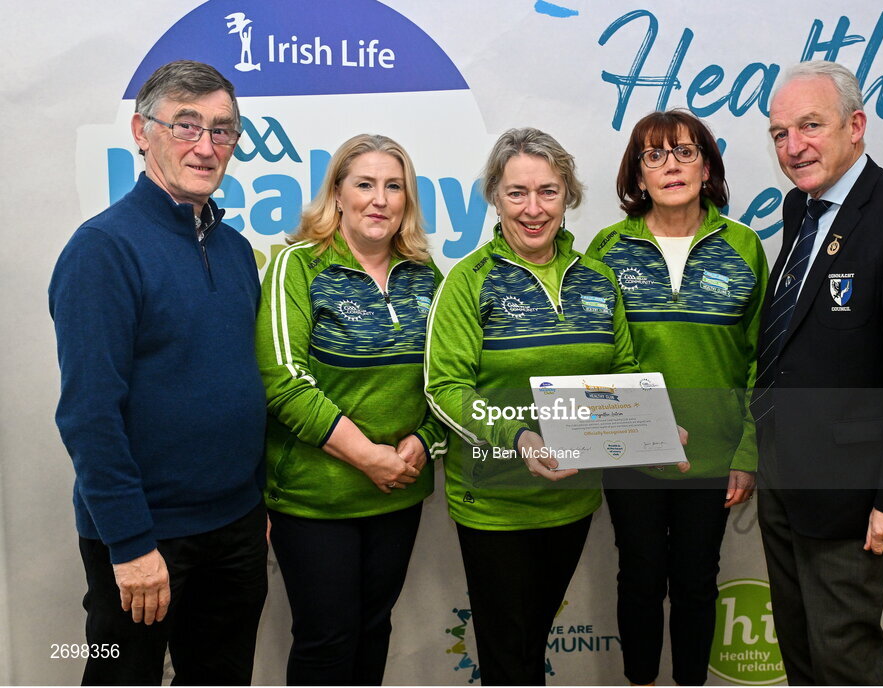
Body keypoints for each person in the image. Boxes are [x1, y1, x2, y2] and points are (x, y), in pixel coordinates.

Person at [49, 60, 268, 685]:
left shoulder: (234, 250)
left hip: (236, 526)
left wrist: (255, 502)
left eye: (222, 130)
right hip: (146, 538)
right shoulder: (103, 249)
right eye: (186, 125)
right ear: (142, 133)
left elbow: (241, 384)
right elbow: (89, 414)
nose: (206, 146)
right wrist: (130, 543)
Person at [753, 60, 883, 684]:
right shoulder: (800, 210)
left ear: (856, 125)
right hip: (783, 477)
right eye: (780, 133)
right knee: (801, 656)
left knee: (844, 660)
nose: (794, 146)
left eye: (810, 125)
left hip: (851, 492)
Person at [424, 127, 640, 685]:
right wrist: (518, 437)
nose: (533, 208)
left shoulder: (598, 279)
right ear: (495, 198)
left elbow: (622, 371)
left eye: (548, 191)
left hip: (571, 499)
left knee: (533, 644)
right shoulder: (468, 281)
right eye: (516, 192)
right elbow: (446, 389)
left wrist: (647, 427)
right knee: (507, 658)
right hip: (495, 503)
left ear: (568, 195)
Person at [257, 134, 447, 685]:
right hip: (316, 499)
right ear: (337, 194)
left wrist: (423, 443)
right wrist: (368, 456)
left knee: (373, 630)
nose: (379, 199)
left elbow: (450, 378)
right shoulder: (297, 266)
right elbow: (283, 381)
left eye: (394, 187)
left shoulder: (425, 275)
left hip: (398, 492)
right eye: (365, 184)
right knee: (327, 641)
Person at [587, 109, 767, 686]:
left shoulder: (743, 246)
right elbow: (596, 353)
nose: (671, 165)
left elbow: (762, 359)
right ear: (638, 175)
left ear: (706, 168)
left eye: (686, 152)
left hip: (714, 455)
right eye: (655, 155)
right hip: (630, 453)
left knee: (696, 583)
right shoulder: (607, 247)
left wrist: (748, 451)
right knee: (638, 580)